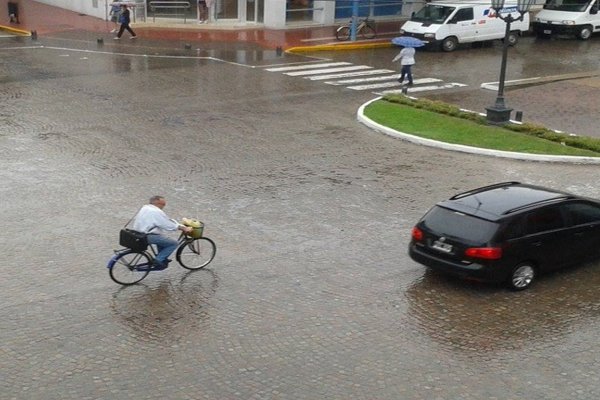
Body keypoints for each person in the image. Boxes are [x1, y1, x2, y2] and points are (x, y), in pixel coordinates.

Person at [132, 195, 193, 269]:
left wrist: (178, 225)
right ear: (156, 202)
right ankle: (158, 261)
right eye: (162, 204)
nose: (163, 207)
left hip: (138, 233)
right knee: (173, 243)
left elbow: (165, 220)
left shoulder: (145, 207)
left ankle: (162, 257)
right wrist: (183, 228)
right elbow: (166, 224)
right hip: (148, 235)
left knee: (163, 239)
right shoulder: (156, 211)